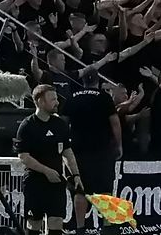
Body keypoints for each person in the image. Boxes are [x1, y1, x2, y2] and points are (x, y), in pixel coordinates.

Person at [15, 84, 83, 235]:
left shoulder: (60, 124)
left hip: (57, 182)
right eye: (52, 99)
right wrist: (46, 171)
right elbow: (24, 157)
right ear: (40, 101)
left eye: (56, 98)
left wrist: (76, 175)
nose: (57, 102)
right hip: (35, 182)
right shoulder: (27, 125)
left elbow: (67, 152)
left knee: (56, 221)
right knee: (34, 223)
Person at [62, 73, 121, 234]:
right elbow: (115, 122)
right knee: (105, 188)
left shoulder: (72, 97)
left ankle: (80, 227)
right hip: (102, 149)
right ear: (98, 81)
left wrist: (64, 144)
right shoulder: (104, 97)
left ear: (82, 81)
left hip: (78, 149)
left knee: (79, 189)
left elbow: (63, 122)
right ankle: (107, 226)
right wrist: (118, 145)